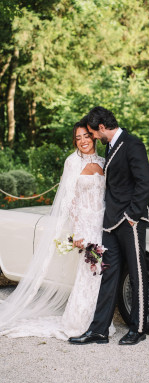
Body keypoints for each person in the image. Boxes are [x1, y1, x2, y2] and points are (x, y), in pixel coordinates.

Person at [0, 123, 116, 339]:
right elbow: (69, 201)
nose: (83, 141)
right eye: (78, 138)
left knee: (100, 275)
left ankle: (99, 321)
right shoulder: (72, 162)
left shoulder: (103, 162)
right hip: (85, 227)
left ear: (93, 137)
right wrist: (78, 232)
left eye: (86, 136)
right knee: (87, 274)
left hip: (102, 224)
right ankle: (78, 323)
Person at [69, 106, 149, 346]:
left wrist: (132, 215)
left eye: (93, 133)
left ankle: (138, 329)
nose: (93, 137)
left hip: (130, 222)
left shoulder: (133, 144)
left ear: (102, 128)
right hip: (110, 224)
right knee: (108, 275)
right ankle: (99, 330)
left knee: (137, 274)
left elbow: (144, 183)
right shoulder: (111, 146)